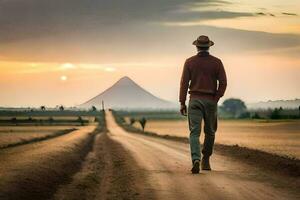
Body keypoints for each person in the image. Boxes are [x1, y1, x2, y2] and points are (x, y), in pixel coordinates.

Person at [179, 35, 227, 174]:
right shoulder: (217, 62)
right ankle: (206, 159)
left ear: (196, 46)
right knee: (210, 132)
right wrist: (216, 98)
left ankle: (196, 159)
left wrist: (182, 102)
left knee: (194, 132)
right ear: (209, 46)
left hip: (194, 100)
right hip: (210, 101)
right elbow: (223, 83)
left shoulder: (189, 62)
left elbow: (184, 83)